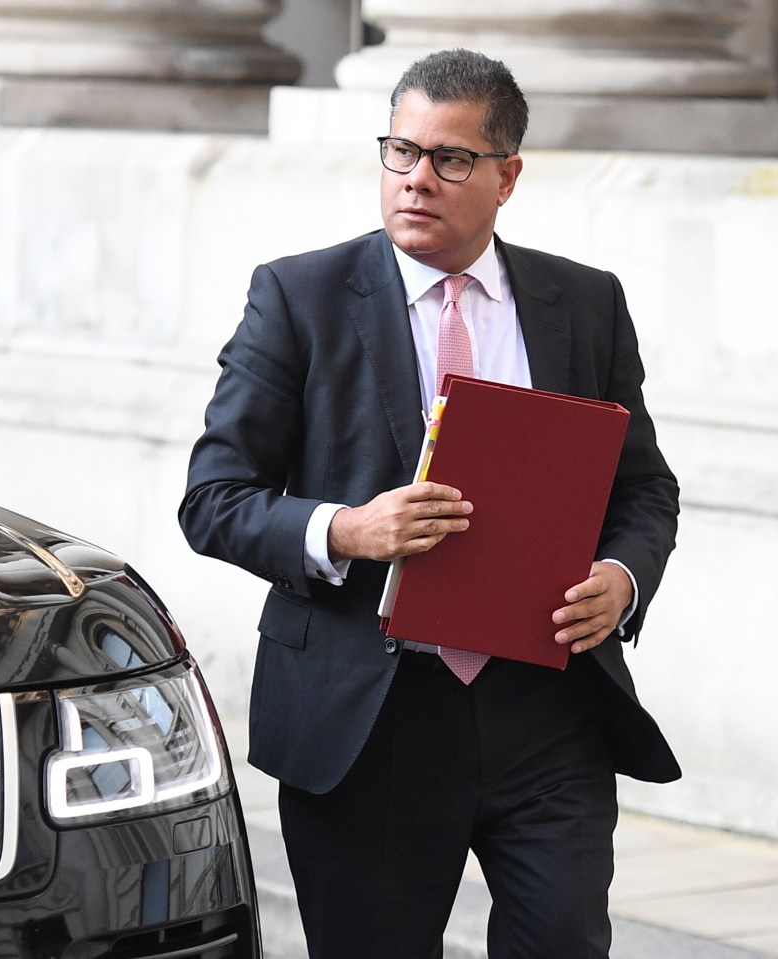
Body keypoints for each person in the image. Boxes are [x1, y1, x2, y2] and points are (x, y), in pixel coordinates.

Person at [179, 48, 680, 959]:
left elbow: (642, 485)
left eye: (451, 159)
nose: (417, 179)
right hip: (372, 717)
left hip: (548, 709)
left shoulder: (586, 302)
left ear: (507, 176)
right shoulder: (300, 297)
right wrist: (346, 528)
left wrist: (622, 577)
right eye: (400, 151)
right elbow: (214, 498)